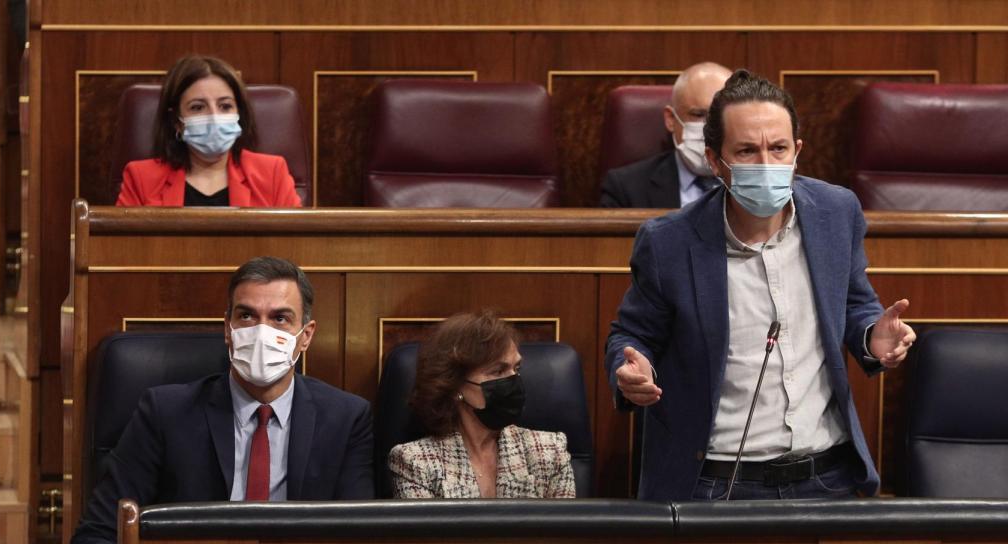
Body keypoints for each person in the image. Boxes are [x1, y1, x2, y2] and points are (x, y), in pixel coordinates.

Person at [605, 70, 916, 502]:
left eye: (779, 148)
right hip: (716, 482)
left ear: (797, 151)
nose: (767, 164)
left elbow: (854, 304)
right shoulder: (669, 242)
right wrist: (630, 370)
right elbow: (631, 336)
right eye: (747, 151)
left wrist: (871, 336)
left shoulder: (835, 212)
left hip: (827, 476)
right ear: (715, 161)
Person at [66, 257, 373, 544]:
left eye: (280, 318)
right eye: (247, 316)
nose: (261, 332)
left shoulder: (346, 419)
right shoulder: (164, 413)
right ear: (228, 329)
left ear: (306, 336)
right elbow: (92, 543)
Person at [389, 312, 575, 499]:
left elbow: (565, 527)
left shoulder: (550, 451)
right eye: (498, 371)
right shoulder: (415, 462)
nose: (513, 380)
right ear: (454, 385)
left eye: (516, 368)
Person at [115, 54, 301, 207]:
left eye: (225, 106)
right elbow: (125, 250)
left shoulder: (272, 174)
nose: (214, 117)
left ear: (239, 112)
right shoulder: (141, 178)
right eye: (197, 107)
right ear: (176, 121)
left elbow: (293, 247)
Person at [600, 62, 731, 208]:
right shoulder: (625, 189)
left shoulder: (758, 182)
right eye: (698, 115)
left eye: (721, 116)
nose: (710, 128)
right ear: (671, 119)